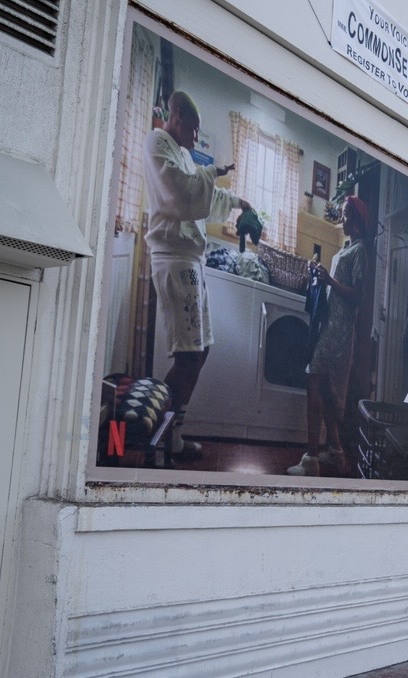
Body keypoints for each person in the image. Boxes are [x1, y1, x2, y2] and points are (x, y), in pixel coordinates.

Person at [142, 90, 252, 455]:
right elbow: (183, 194)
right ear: (176, 116)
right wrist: (214, 171)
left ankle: (173, 433)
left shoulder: (185, 155)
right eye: (193, 129)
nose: (195, 137)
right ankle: (160, 434)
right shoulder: (157, 142)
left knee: (200, 350)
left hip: (191, 261)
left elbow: (203, 201)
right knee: (188, 355)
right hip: (173, 258)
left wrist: (237, 201)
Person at [289, 196, 372, 476]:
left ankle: (311, 459)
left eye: (347, 215)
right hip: (331, 326)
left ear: (358, 223)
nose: (343, 218)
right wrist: (321, 275)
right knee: (324, 388)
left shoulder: (360, 250)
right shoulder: (346, 248)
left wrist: (329, 280)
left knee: (314, 380)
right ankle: (336, 453)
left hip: (339, 331)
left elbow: (357, 296)